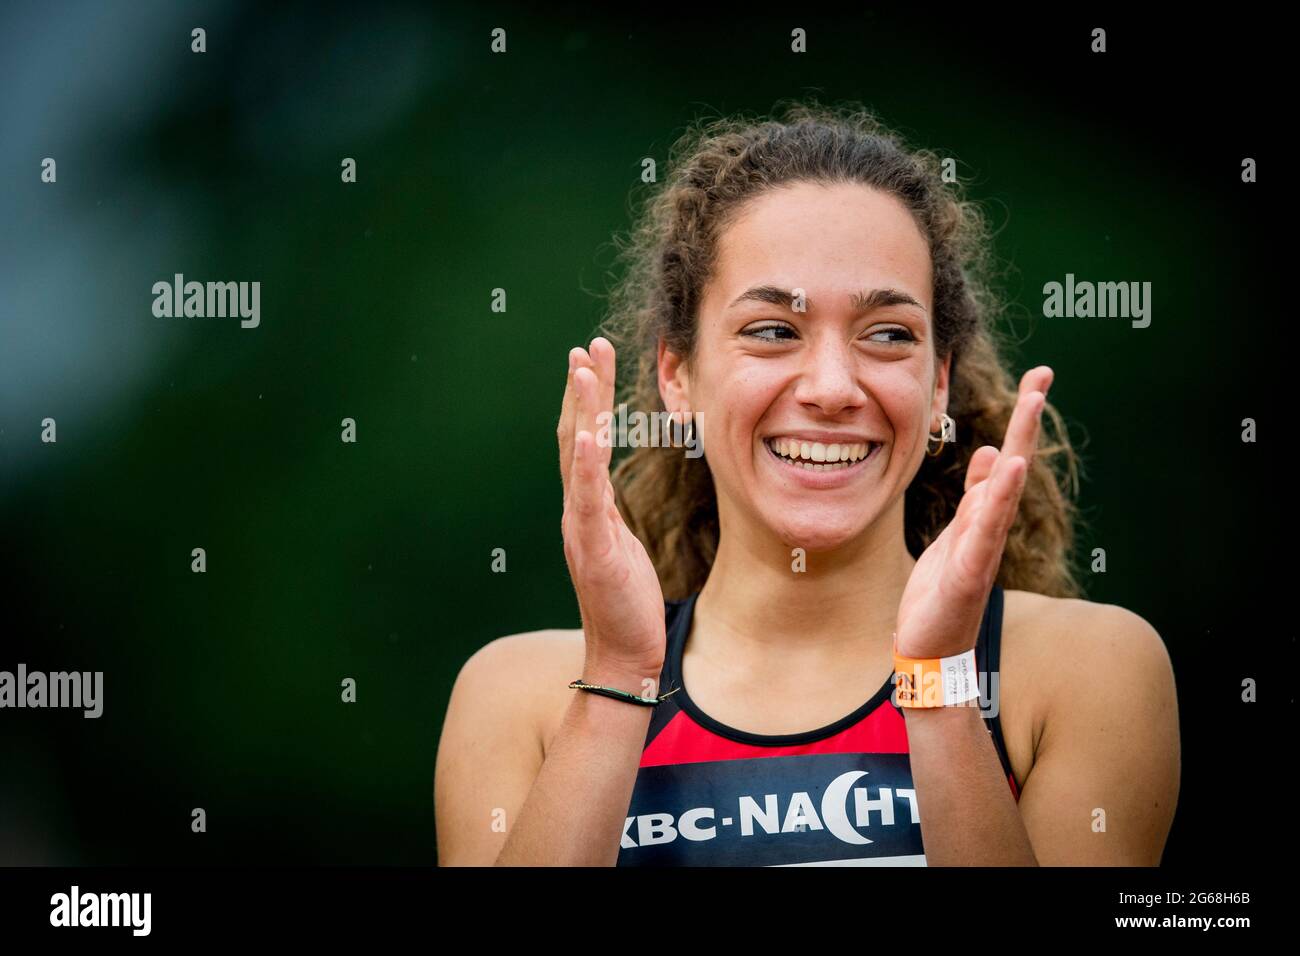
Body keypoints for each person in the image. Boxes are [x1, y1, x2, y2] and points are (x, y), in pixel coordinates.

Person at [434, 101, 1180, 866]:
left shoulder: (1083, 671)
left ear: (938, 387)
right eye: (773, 330)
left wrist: (938, 690)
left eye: (889, 334)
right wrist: (622, 680)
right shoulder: (520, 697)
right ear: (676, 375)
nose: (832, 387)